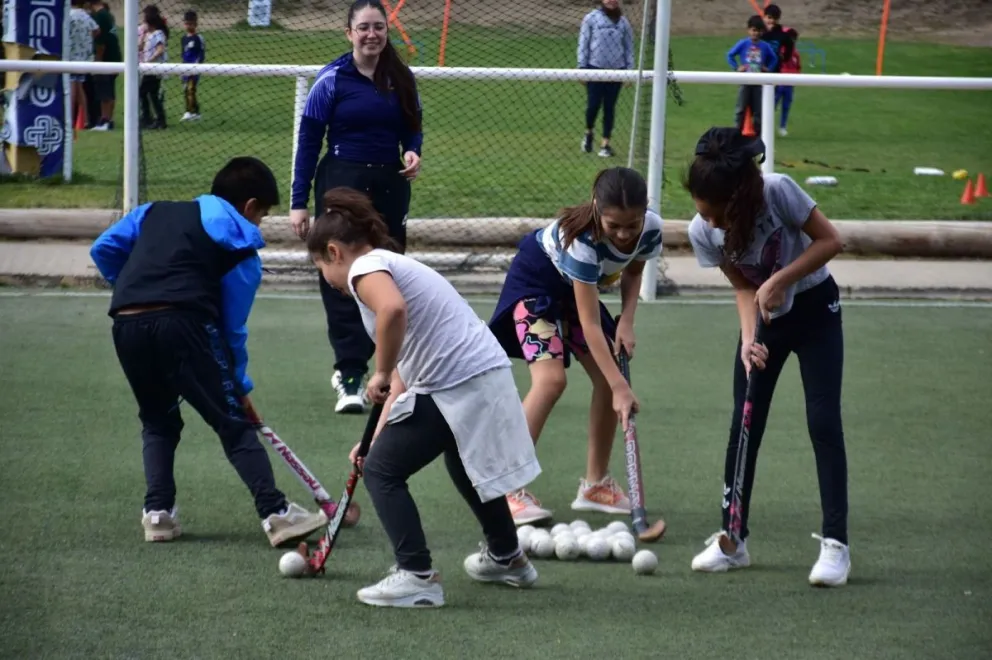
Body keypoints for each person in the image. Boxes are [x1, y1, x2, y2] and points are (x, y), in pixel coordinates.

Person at [307, 187, 541, 608]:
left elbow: (392, 312)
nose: (327, 279)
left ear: (334, 252)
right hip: (478, 375)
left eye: (321, 267)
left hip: (459, 379)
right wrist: (372, 438)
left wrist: (376, 369)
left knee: (382, 473)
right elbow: (399, 383)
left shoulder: (367, 270)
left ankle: (417, 576)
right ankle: (508, 558)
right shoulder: (391, 265)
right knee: (456, 461)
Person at [89, 157, 328, 548]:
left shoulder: (153, 211)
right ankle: (276, 513)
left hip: (126, 322)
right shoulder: (241, 253)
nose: (260, 224)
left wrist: (135, 287)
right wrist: (239, 386)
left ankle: (158, 514)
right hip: (184, 326)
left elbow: (104, 248)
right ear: (250, 207)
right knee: (231, 423)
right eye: (263, 216)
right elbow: (230, 329)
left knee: (158, 420)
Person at [682, 127, 850, 587]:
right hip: (764, 322)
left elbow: (831, 241)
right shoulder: (702, 231)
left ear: (737, 199)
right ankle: (732, 540)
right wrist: (746, 338)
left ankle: (836, 545)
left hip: (816, 310)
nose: (710, 223)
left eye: (716, 214)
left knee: (823, 422)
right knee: (745, 424)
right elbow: (741, 285)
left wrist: (781, 281)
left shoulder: (777, 192)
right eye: (703, 213)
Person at [488, 167, 662, 526]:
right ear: (597, 208)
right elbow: (590, 323)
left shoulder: (650, 228)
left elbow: (633, 271)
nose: (625, 234)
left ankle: (595, 485)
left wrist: (628, 320)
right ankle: (505, 490)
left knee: (604, 375)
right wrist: (621, 388)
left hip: (574, 289)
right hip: (536, 284)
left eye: (633, 224)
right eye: (615, 226)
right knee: (551, 381)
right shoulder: (582, 241)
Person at [290, 0, 423, 415]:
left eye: (378, 27)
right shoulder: (330, 79)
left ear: (387, 31)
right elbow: (308, 141)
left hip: (388, 185)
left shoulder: (401, 78)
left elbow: (412, 126)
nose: (371, 35)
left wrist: (412, 152)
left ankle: (390, 372)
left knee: (387, 275)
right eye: (363, 27)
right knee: (344, 275)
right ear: (348, 33)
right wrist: (298, 202)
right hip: (342, 183)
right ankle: (349, 373)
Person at [577, 0, 634, 158]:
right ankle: (588, 133)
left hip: (617, 71)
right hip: (594, 69)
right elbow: (583, 43)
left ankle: (605, 144)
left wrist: (629, 71)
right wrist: (582, 68)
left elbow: (629, 48)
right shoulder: (591, 18)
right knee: (593, 105)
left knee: (610, 107)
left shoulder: (623, 22)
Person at [726, 16, 778, 135]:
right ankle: (736, 134)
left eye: (759, 31)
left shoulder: (765, 46)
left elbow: (774, 58)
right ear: (749, 30)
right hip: (745, 81)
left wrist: (768, 68)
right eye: (754, 30)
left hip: (758, 82)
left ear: (762, 32)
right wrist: (737, 67)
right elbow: (730, 55)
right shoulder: (743, 43)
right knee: (741, 109)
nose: (756, 33)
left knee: (758, 111)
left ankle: (758, 135)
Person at [762, 5, 799, 137]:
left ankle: (769, 129)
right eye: (769, 18)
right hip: (757, 73)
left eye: (774, 19)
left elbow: (789, 45)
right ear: (764, 17)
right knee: (755, 103)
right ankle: (755, 129)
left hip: (774, 75)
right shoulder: (759, 32)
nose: (771, 21)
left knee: (772, 102)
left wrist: (784, 58)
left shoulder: (781, 35)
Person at [89, 1, 121, 131]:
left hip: (105, 58)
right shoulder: (107, 15)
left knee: (104, 90)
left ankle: (105, 120)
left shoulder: (99, 16)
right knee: (110, 90)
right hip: (114, 57)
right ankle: (109, 120)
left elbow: (100, 42)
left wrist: (98, 60)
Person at [68, 0, 100, 130]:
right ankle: (85, 118)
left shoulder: (68, 15)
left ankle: (69, 119)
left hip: (70, 56)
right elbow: (97, 30)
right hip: (84, 57)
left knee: (72, 87)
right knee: (80, 87)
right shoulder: (86, 15)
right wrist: (86, 39)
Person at [139, 8, 168, 129]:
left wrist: (150, 61)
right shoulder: (149, 35)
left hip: (154, 69)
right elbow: (139, 48)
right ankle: (156, 119)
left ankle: (150, 118)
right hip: (149, 69)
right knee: (151, 94)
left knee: (144, 92)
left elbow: (160, 49)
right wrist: (143, 35)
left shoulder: (158, 34)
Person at [180, 10, 206, 122]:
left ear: (196, 24)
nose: (189, 26)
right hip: (185, 68)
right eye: (187, 23)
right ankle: (191, 111)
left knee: (191, 89)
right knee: (185, 89)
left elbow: (201, 54)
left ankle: (192, 112)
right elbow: (183, 53)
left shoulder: (198, 38)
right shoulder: (184, 38)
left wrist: (196, 66)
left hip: (194, 68)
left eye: (191, 23)